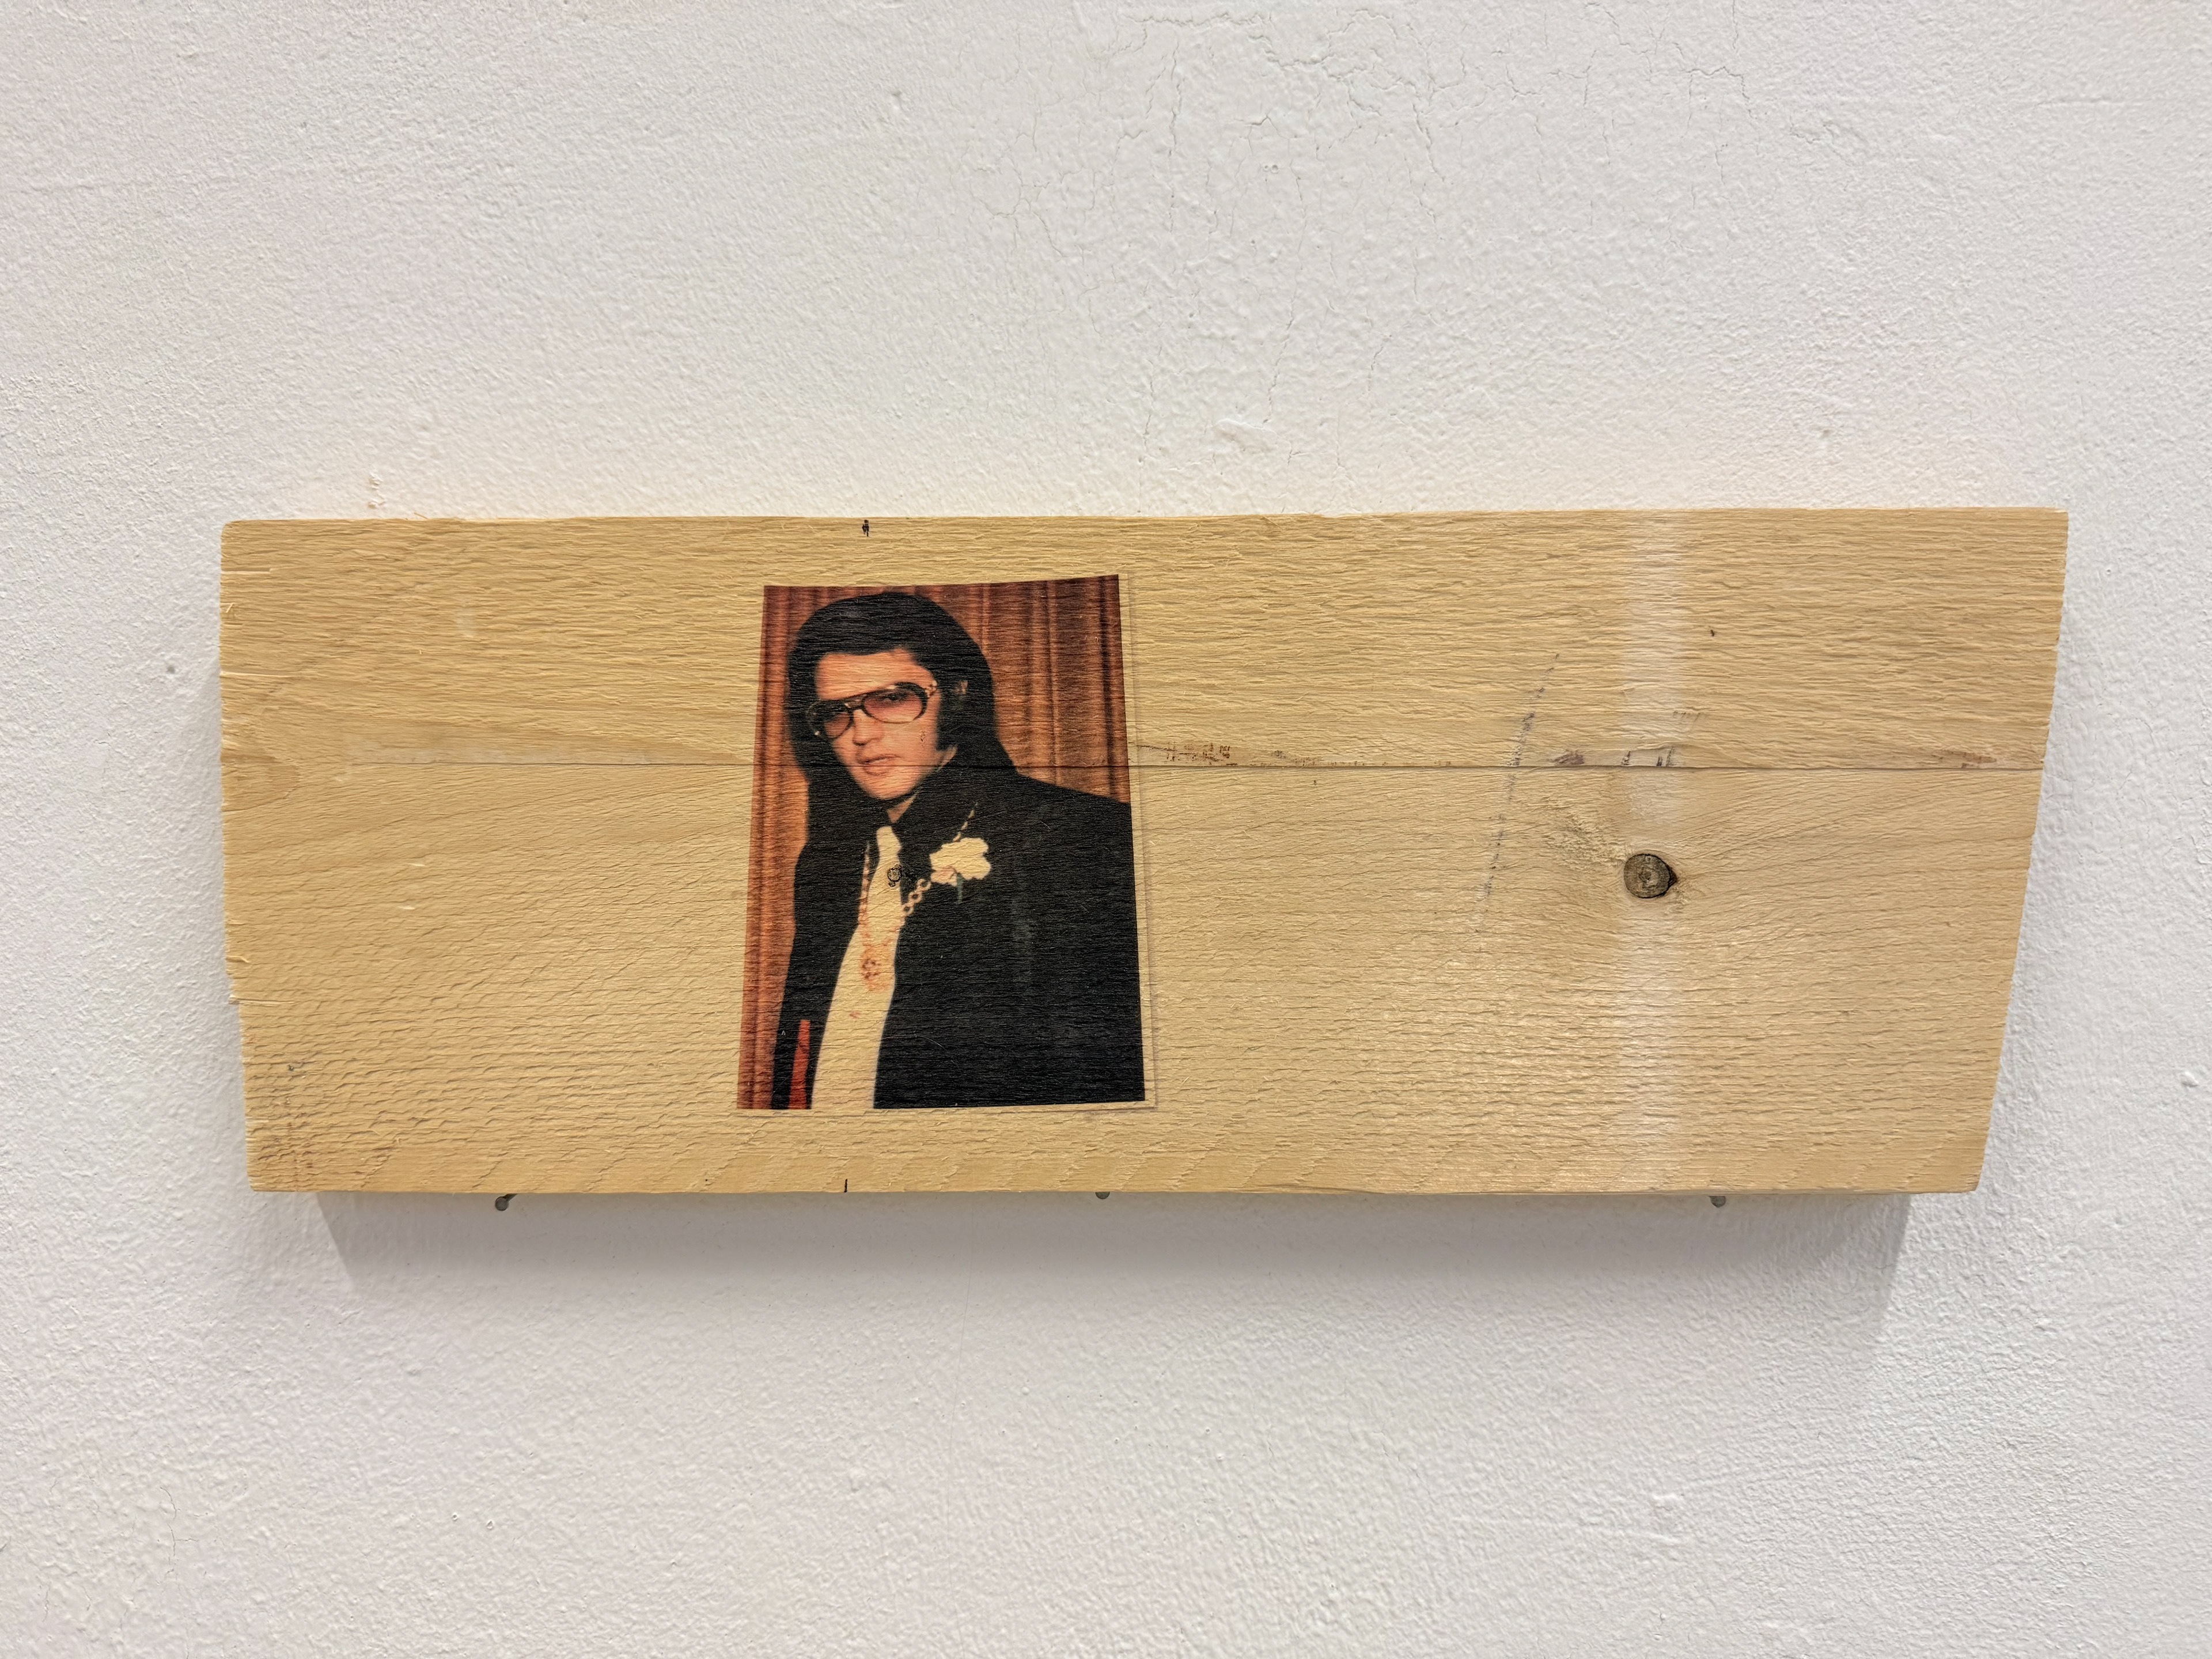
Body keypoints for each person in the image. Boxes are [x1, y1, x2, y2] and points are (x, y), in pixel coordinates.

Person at [767, 591, 1145, 1110]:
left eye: (893, 699)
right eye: (836, 712)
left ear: (958, 695)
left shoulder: (1081, 836)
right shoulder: (828, 863)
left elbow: (1093, 1079)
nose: (861, 734)